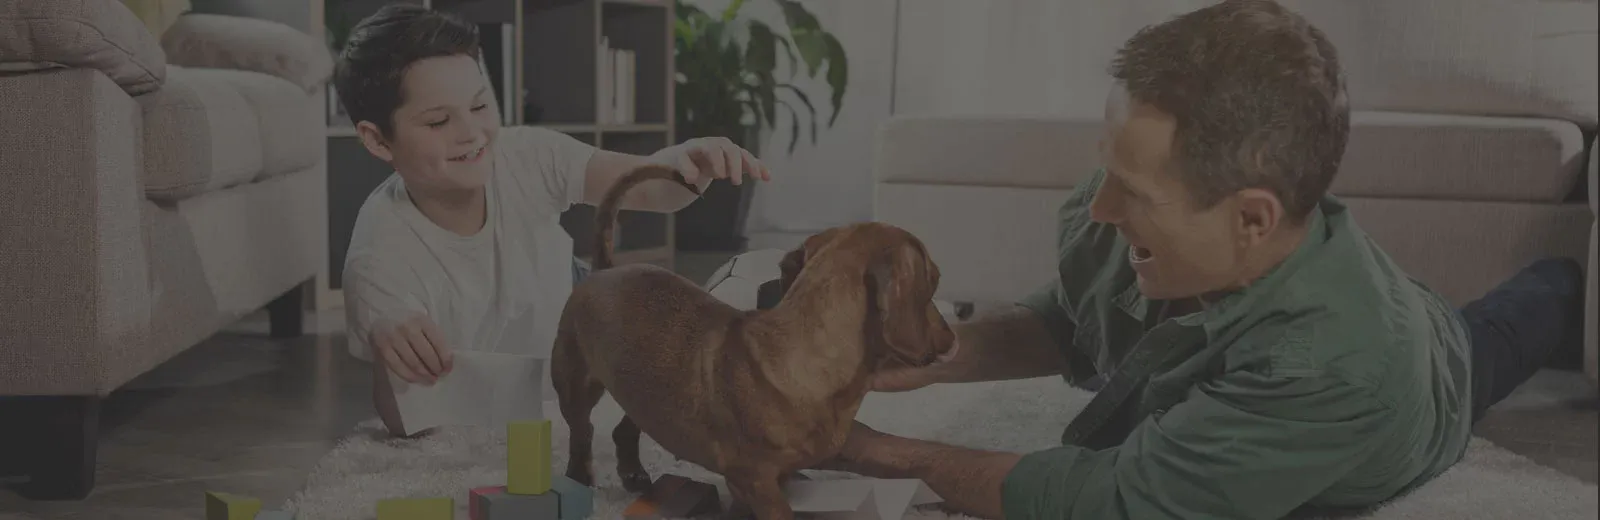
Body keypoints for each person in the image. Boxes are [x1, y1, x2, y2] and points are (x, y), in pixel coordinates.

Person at [819, 1, 1588, 519]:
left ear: (1251, 218)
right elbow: (1074, 320)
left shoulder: (1338, 372)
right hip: (1346, 297)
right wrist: (932, 358)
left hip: (1436, 369)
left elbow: (1116, 500)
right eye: (1106, 167)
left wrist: (873, 451)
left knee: (1523, 316)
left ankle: (1569, 280)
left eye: (1134, 191)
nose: (1100, 208)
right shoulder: (1124, 208)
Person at [331, 4, 771, 438]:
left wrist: (690, 164)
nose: (472, 133)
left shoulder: (526, 155)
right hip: (507, 382)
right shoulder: (379, 257)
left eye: (481, 105)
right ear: (377, 139)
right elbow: (402, 416)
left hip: (572, 308)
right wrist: (391, 340)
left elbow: (647, 186)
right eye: (440, 121)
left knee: (671, 333)